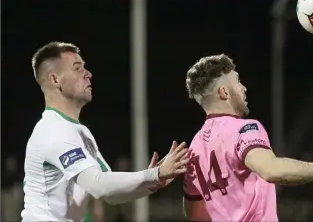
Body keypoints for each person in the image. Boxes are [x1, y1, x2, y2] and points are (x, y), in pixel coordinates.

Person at [21, 41, 189, 222]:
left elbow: (111, 194)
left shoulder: (79, 131)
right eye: (78, 69)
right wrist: (154, 174)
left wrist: (154, 181)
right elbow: (98, 185)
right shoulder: (53, 130)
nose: (88, 74)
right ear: (55, 80)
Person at [182, 54, 313, 222]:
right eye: (237, 82)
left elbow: (195, 213)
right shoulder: (244, 129)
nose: (244, 88)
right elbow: (272, 170)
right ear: (224, 93)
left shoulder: (195, 146)